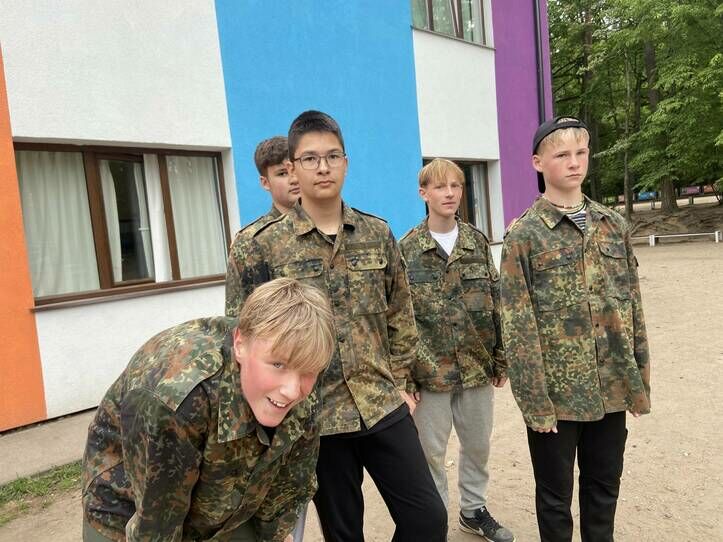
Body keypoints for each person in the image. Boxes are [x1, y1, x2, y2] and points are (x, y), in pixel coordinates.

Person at [225, 110, 447, 542]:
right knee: (344, 534)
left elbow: (400, 314)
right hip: (313, 416)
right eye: (310, 158)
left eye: (332, 156)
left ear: (346, 163)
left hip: (379, 401)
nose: (322, 167)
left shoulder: (376, 233)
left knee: (427, 519)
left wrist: (401, 381)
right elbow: (240, 336)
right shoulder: (259, 246)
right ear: (292, 168)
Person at [82, 278, 335, 542]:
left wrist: (275, 535)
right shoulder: (176, 400)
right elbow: (156, 529)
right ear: (240, 344)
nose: (292, 391)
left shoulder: (303, 371)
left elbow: (289, 487)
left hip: (223, 497)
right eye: (278, 365)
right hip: (127, 504)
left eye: (307, 372)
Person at [500, 116, 651, 542]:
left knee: (604, 489)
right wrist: (535, 402)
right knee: (555, 498)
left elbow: (632, 305)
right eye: (562, 154)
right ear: (537, 162)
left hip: (612, 385)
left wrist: (639, 379)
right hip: (557, 396)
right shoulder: (524, 235)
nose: (574, 162)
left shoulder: (613, 225)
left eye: (581, 152)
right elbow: (517, 325)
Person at [399, 158, 515, 542]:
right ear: (424, 193)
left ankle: (473, 511)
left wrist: (501, 358)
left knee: (477, 446)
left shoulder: (476, 242)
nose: (449, 194)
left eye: (456, 186)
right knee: (430, 454)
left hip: (476, 366)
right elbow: (398, 316)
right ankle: (434, 523)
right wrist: (404, 377)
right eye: (440, 187)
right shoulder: (407, 249)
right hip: (429, 372)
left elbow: (496, 300)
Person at [226, 136, 299, 317]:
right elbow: (240, 318)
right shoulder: (251, 242)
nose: (294, 179)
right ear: (265, 182)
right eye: (282, 173)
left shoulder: (332, 227)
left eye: (296, 169)